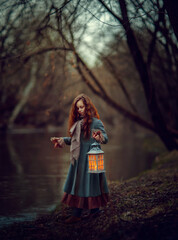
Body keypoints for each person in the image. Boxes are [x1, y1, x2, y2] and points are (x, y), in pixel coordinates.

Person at [51, 94, 109, 223]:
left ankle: (95, 212)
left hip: (91, 159)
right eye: (77, 108)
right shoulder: (77, 123)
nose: (79, 110)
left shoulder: (96, 122)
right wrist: (61, 140)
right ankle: (76, 214)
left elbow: (105, 138)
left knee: (92, 184)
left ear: (87, 107)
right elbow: (74, 140)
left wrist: (100, 138)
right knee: (77, 185)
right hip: (78, 160)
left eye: (81, 107)